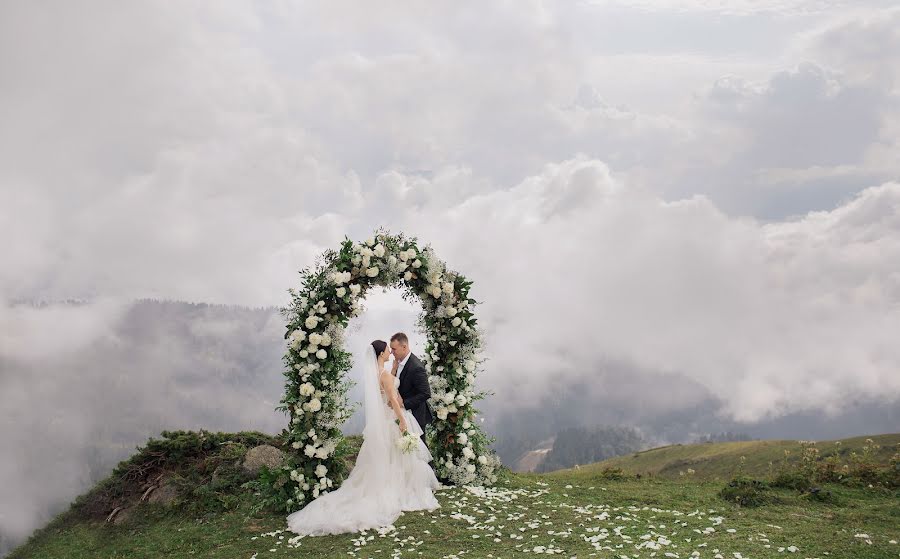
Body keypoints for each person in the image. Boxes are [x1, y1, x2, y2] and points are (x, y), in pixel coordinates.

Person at [286, 339, 440, 536]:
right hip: (393, 416)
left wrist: (393, 369)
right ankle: (398, 488)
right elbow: (392, 398)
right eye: (387, 350)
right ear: (380, 354)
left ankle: (389, 484)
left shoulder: (378, 374)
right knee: (398, 454)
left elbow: (387, 388)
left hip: (383, 419)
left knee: (388, 455)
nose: (390, 353)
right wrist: (402, 420)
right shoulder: (384, 375)